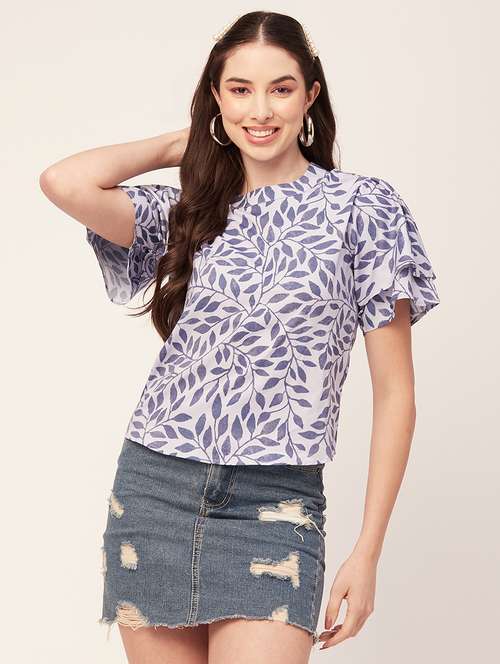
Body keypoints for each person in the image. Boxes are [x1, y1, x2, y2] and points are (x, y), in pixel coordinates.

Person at [39, 10, 440, 664]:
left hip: (275, 505)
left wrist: (367, 553)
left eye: (281, 89)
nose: (260, 110)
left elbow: (397, 395)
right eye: (240, 90)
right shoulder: (189, 209)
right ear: (216, 99)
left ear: (310, 96)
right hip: (156, 490)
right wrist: (184, 144)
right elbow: (64, 181)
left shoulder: (363, 209)